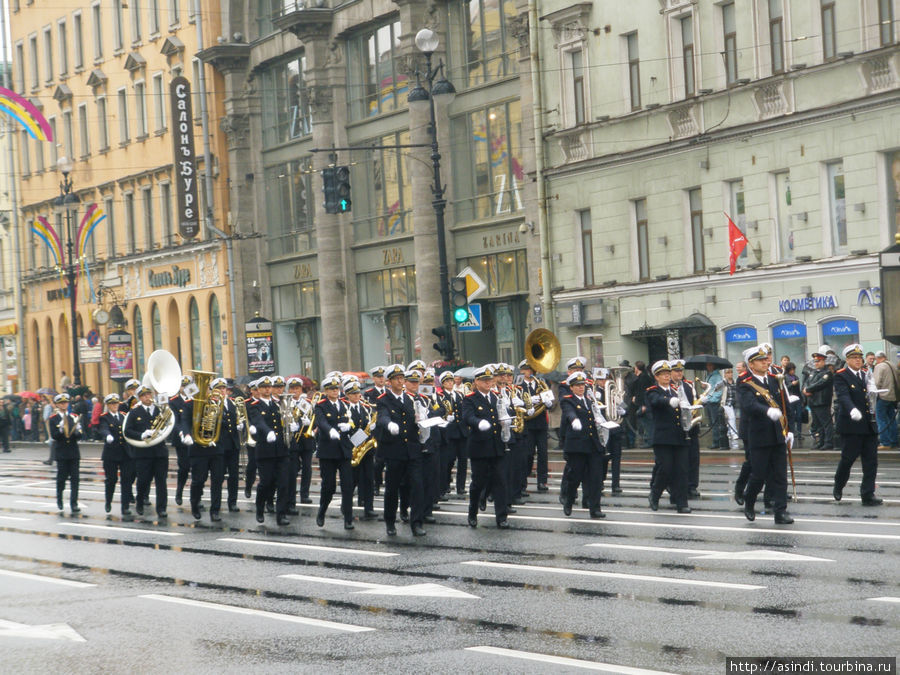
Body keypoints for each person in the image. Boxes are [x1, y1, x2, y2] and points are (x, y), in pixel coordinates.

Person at [738, 345, 794, 525]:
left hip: (778, 433)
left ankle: (780, 512)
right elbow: (748, 405)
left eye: (765, 359)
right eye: (760, 360)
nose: (765, 362)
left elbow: (785, 404)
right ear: (751, 364)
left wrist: (790, 429)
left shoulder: (774, 378)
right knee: (759, 474)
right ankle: (749, 499)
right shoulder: (744, 382)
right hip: (759, 434)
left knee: (779, 475)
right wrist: (766, 411)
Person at [375, 364, 427, 536]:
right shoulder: (383, 399)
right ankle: (390, 521)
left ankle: (417, 523)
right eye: (397, 378)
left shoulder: (411, 399)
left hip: (412, 449)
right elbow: (382, 416)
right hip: (394, 450)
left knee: (418, 486)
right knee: (392, 488)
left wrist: (423, 422)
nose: (400, 381)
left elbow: (418, 417)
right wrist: (389, 424)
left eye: (402, 378)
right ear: (389, 382)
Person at [832, 344, 883, 506]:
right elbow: (843, 396)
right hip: (851, 425)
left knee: (871, 462)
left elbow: (869, 396)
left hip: (868, 424)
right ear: (847, 360)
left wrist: (877, 394)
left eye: (859, 358)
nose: (858, 361)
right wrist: (852, 409)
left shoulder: (866, 375)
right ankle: (839, 485)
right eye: (854, 358)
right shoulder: (841, 375)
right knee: (848, 459)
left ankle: (867, 494)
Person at [461, 365, 510, 529]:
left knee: (500, 482)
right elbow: (467, 416)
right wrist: (478, 422)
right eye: (484, 380)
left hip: (497, 446)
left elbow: (503, 413)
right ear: (476, 381)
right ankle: (472, 512)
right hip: (480, 448)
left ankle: (501, 517)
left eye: (490, 379)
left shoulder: (497, 397)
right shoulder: (470, 399)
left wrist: (506, 421)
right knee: (478, 483)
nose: (488, 382)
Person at [180, 378, 230, 522]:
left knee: (217, 480)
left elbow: (224, 422)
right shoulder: (190, 404)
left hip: (216, 448)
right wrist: (187, 434)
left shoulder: (216, 404)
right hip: (198, 448)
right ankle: (195, 504)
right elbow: (184, 421)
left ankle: (215, 511)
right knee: (199, 480)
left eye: (205, 388)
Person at [646, 361, 691, 514]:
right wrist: (668, 401)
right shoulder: (653, 391)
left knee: (682, 470)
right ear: (656, 377)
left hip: (679, 435)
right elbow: (656, 401)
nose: (666, 376)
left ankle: (682, 502)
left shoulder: (676, 390)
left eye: (667, 373)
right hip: (662, 436)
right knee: (665, 468)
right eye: (662, 374)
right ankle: (655, 494)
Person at [559, 371, 605, 518]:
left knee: (596, 478)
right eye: (577, 385)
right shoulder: (568, 400)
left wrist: (601, 420)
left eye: (582, 385)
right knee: (575, 476)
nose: (580, 388)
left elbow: (597, 415)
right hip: (577, 445)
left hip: (593, 444)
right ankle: (569, 500)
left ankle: (595, 508)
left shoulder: (590, 400)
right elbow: (569, 411)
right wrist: (574, 420)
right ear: (571, 387)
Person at [247, 376, 291, 525]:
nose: (267, 389)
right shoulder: (255, 405)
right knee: (266, 483)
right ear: (258, 389)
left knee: (283, 483)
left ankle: (281, 515)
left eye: (269, 387)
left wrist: (292, 425)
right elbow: (258, 421)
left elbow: (285, 420)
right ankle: (260, 508)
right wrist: (267, 432)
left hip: (281, 450)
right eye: (264, 387)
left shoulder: (278, 404)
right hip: (265, 450)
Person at [314, 376, 356, 530]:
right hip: (328, 451)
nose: (335, 392)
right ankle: (322, 510)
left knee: (347, 485)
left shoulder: (345, 404)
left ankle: (348, 518)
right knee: (329, 486)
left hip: (344, 449)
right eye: (332, 389)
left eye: (336, 389)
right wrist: (330, 430)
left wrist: (349, 426)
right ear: (326, 391)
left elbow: (351, 420)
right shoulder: (321, 405)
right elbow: (321, 421)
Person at [123, 385, 170, 519]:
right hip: (143, 453)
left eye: (149, 395)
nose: (147, 398)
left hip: (160, 451)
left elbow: (169, 424)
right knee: (143, 480)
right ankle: (140, 501)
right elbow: (127, 431)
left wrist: (163, 431)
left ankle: (161, 508)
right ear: (139, 398)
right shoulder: (134, 412)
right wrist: (142, 434)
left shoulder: (160, 410)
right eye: (144, 396)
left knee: (161, 481)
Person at [518, 359, 554, 493]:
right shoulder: (519, 386)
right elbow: (515, 402)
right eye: (527, 369)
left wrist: (548, 402)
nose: (530, 372)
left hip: (540, 423)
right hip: (527, 423)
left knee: (543, 454)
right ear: (522, 371)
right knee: (528, 454)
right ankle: (523, 481)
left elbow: (550, 403)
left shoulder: (542, 383)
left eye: (532, 369)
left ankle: (542, 482)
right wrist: (528, 402)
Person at [98, 393, 134, 518]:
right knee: (111, 480)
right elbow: (103, 428)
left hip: (125, 453)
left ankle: (125, 507)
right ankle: (108, 501)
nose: (114, 406)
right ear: (108, 405)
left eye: (116, 403)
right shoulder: (105, 417)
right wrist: (107, 435)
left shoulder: (124, 416)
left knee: (126, 480)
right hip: (111, 454)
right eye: (112, 404)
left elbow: (129, 429)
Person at [49, 393, 82, 513]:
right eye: (61, 403)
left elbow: (80, 435)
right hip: (62, 453)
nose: (64, 405)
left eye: (66, 402)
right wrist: (61, 430)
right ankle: (59, 498)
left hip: (73, 452)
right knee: (61, 478)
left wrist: (77, 431)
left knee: (75, 479)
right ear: (57, 404)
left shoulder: (73, 417)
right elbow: (54, 436)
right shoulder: (53, 419)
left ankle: (74, 503)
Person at [803, 347, 835, 450]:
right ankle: (821, 441)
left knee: (826, 423)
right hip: (813, 401)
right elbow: (807, 381)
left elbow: (820, 384)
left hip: (822, 401)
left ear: (823, 361)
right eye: (815, 361)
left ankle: (828, 442)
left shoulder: (827, 373)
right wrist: (805, 389)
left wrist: (808, 389)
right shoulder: (813, 372)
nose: (816, 363)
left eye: (818, 361)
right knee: (818, 424)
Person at [872, 350, 899, 450]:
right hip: (892, 396)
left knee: (881, 419)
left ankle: (885, 442)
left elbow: (877, 382)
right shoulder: (892, 365)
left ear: (878, 358)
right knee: (892, 420)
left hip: (883, 395)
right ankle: (894, 441)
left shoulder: (880, 366)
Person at [704, 363, 726, 449]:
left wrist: (713, 399)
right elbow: (710, 388)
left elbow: (719, 389)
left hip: (713, 402)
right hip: (709, 401)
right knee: (712, 422)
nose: (708, 366)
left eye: (710, 365)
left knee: (715, 422)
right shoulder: (709, 375)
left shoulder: (717, 376)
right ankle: (715, 440)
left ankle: (717, 441)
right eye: (707, 365)